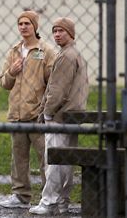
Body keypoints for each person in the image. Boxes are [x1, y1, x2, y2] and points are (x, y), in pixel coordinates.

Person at [29, 17, 89, 215]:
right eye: (54, 31)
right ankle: (62, 201)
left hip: (59, 115)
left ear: (70, 33)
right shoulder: (74, 53)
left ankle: (49, 201)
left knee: (53, 160)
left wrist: (46, 112)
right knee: (65, 161)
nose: (56, 34)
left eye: (61, 31)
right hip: (73, 114)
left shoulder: (66, 56)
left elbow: (57, 90)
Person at [0, 11, 55, 209]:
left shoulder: (46, 51)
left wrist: (44, 108)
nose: (23, 27)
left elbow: (52, 82)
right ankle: (21, 195)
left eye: (27, 24)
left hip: (37, 115)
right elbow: (4, 83)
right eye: (20, 24)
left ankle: (49, 196)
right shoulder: (14, 51)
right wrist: (11, 72)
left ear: (35, 26)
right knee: (19, 158)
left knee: (45, 157)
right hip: (17, 114)